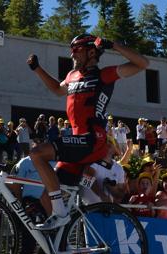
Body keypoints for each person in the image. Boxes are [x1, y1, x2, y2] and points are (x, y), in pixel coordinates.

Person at [27, 33, 149, 229]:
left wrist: (114, 45)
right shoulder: (72, 76)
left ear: (91, 52)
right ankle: (63, 251)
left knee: (37, 153)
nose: (72, 55)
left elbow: (143, 63)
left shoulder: (104, 75)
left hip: (92, 140)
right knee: (47, 197)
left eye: (76, 50)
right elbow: (58, 90)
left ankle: (60, 213)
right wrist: (37, 69)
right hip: (78, 141)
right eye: (71, 51)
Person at [9, 150, 56, 254]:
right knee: (28, 242)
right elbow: (15, 183)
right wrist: (20, 204)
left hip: (50, 203)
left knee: (48, 244)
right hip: (30, 203)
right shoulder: (26, 162)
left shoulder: (54, 162)